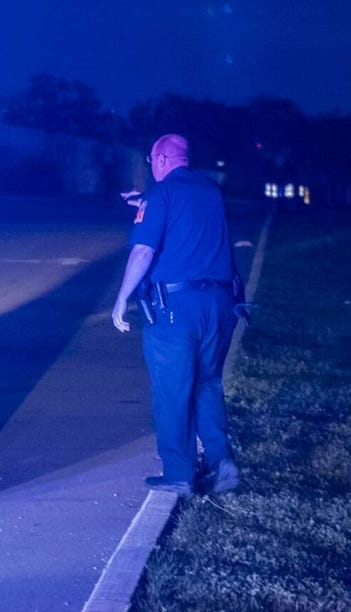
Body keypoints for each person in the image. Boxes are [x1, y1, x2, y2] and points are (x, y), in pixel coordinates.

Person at [111, 134, 241, 497]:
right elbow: (189, 221)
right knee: (208, 384)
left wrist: (121, 298)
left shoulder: (161, 194)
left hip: (175, 309)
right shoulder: (211, 190)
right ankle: (222, 462)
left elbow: (142, 251)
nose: (151, 166)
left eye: (152, 160)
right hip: (219, 304)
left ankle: (179, 473)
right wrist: (146, 202)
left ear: (162, 160)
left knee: (172, 390)